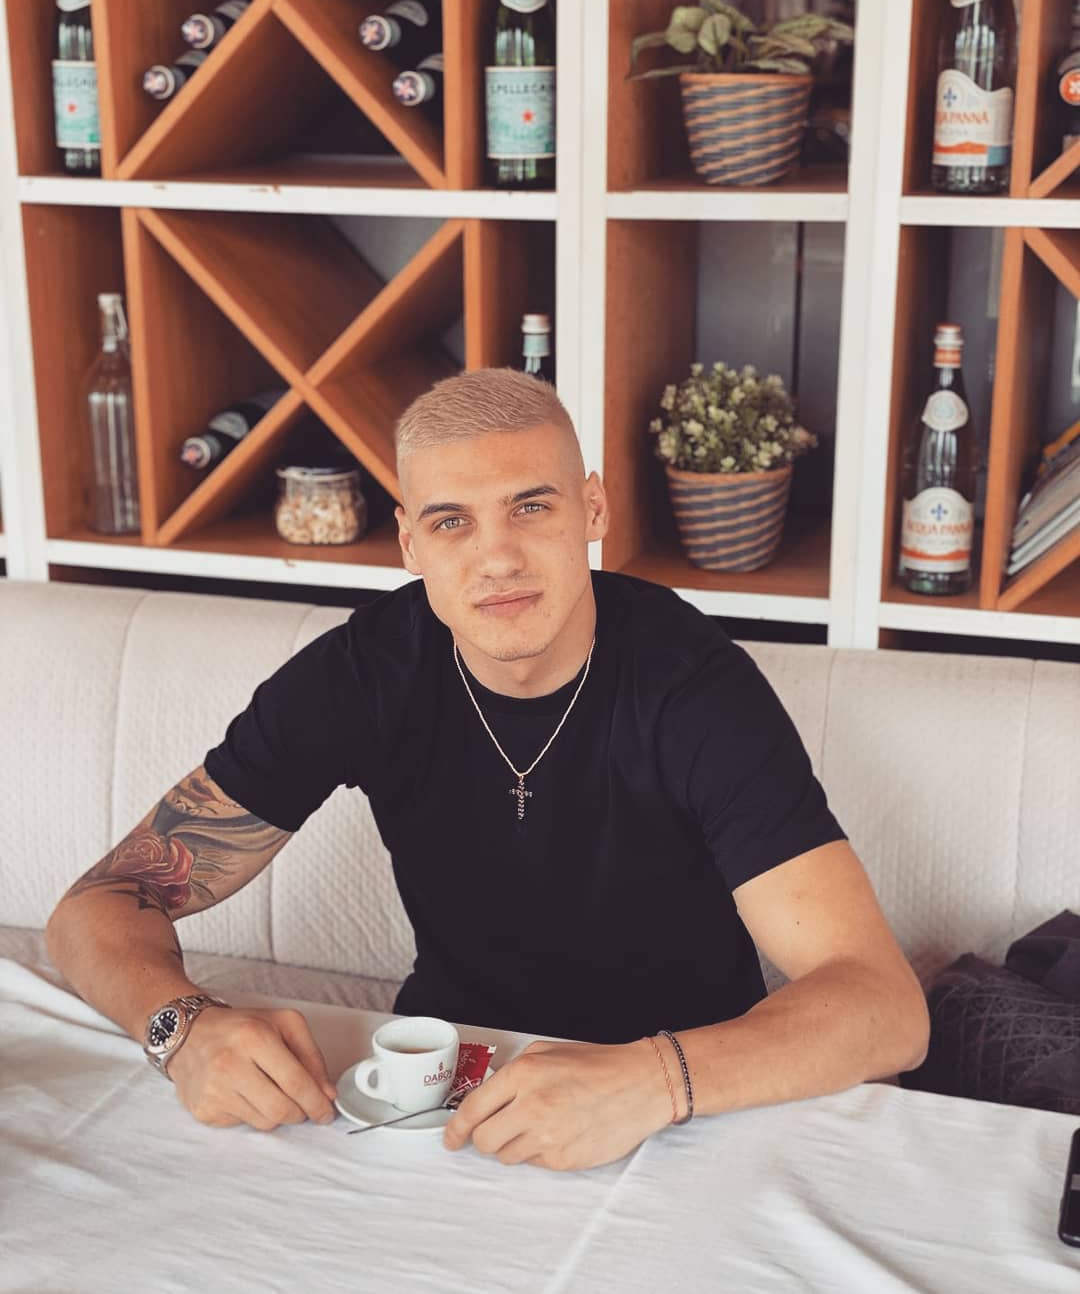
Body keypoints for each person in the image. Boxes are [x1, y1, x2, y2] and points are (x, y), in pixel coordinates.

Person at [45, 367, 929, 1172]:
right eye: (451, 522)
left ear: (593, 510)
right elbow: (96, 907)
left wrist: (650, 1081)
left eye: (531, 508)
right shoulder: (363, 674)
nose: (496, 557)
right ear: (409, 544)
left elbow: (885, 1006)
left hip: (686, 1108)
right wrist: (180, 1030)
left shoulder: (692, 683)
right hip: (448, 1101)